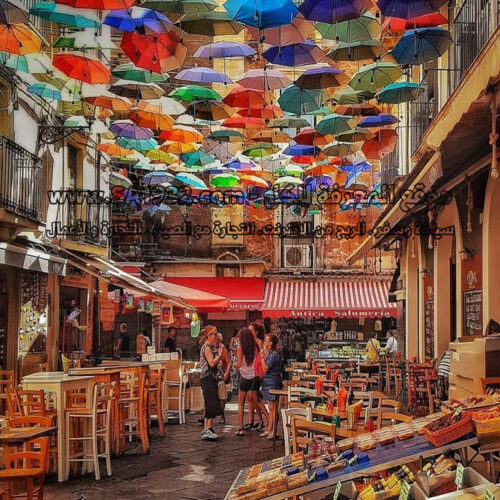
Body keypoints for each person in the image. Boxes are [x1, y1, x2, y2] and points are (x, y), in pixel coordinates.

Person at [234, 327, 268, 436]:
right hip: (254, 377)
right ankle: (268, 419)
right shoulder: (255, 347)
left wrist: (234, 364)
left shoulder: (240, 348)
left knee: (240, 404)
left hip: (244, 377)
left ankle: (240, 428)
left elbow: (238, 364)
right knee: (257, 401)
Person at [199, 325, 222, 441]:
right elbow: (212, 363)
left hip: (210, 377)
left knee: (211, 401)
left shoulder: (210, 347)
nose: (216, 336)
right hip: (207, 378)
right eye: (214, 334)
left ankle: (207, 428)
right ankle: (207, 428)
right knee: (210, 402)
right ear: (208, 335)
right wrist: (219, 356)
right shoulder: (207, 347)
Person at [260, 334, 283, 439]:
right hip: (269, 381)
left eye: (266, 340)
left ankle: (273, 431)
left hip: (272, 382)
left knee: (273, 407)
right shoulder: (272, 354)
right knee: (271, 407)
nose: (264, 342)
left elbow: (265, 368)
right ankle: (270, 429)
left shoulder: (273, 355)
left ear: (271, 343)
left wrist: (262, 358)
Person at [215, 333, 231, 424]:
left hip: (221, 375)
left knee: (221, 395)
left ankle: (222, 415)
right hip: (212, 375)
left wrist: (226, 373)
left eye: (217, 340)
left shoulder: (223, 349)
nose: (216, 341)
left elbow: (229, 363)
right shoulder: (209, 347)